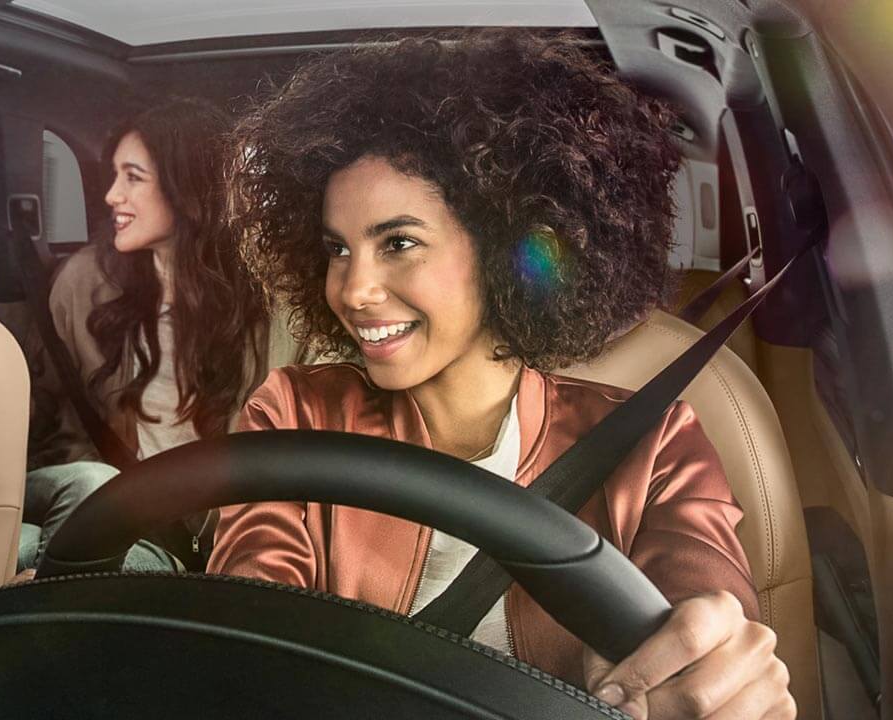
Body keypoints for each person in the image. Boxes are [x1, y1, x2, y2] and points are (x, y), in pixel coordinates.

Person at [210, 31, 795, 719]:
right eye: (337, 248)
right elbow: (250, 625)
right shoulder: (294, 414)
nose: (353, 288)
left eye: (398, 243)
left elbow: (697, 604)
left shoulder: (654, 440)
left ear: (508, 247)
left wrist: (706, 666)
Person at [20, 98, 281, 572]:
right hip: (111, 507)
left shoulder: (274, 308)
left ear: (190, 190)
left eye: (133, 178)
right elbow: (53, 427)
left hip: (215, 541)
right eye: (115, 175)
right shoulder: (81, 287)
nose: (111, 196)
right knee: (18, 543)